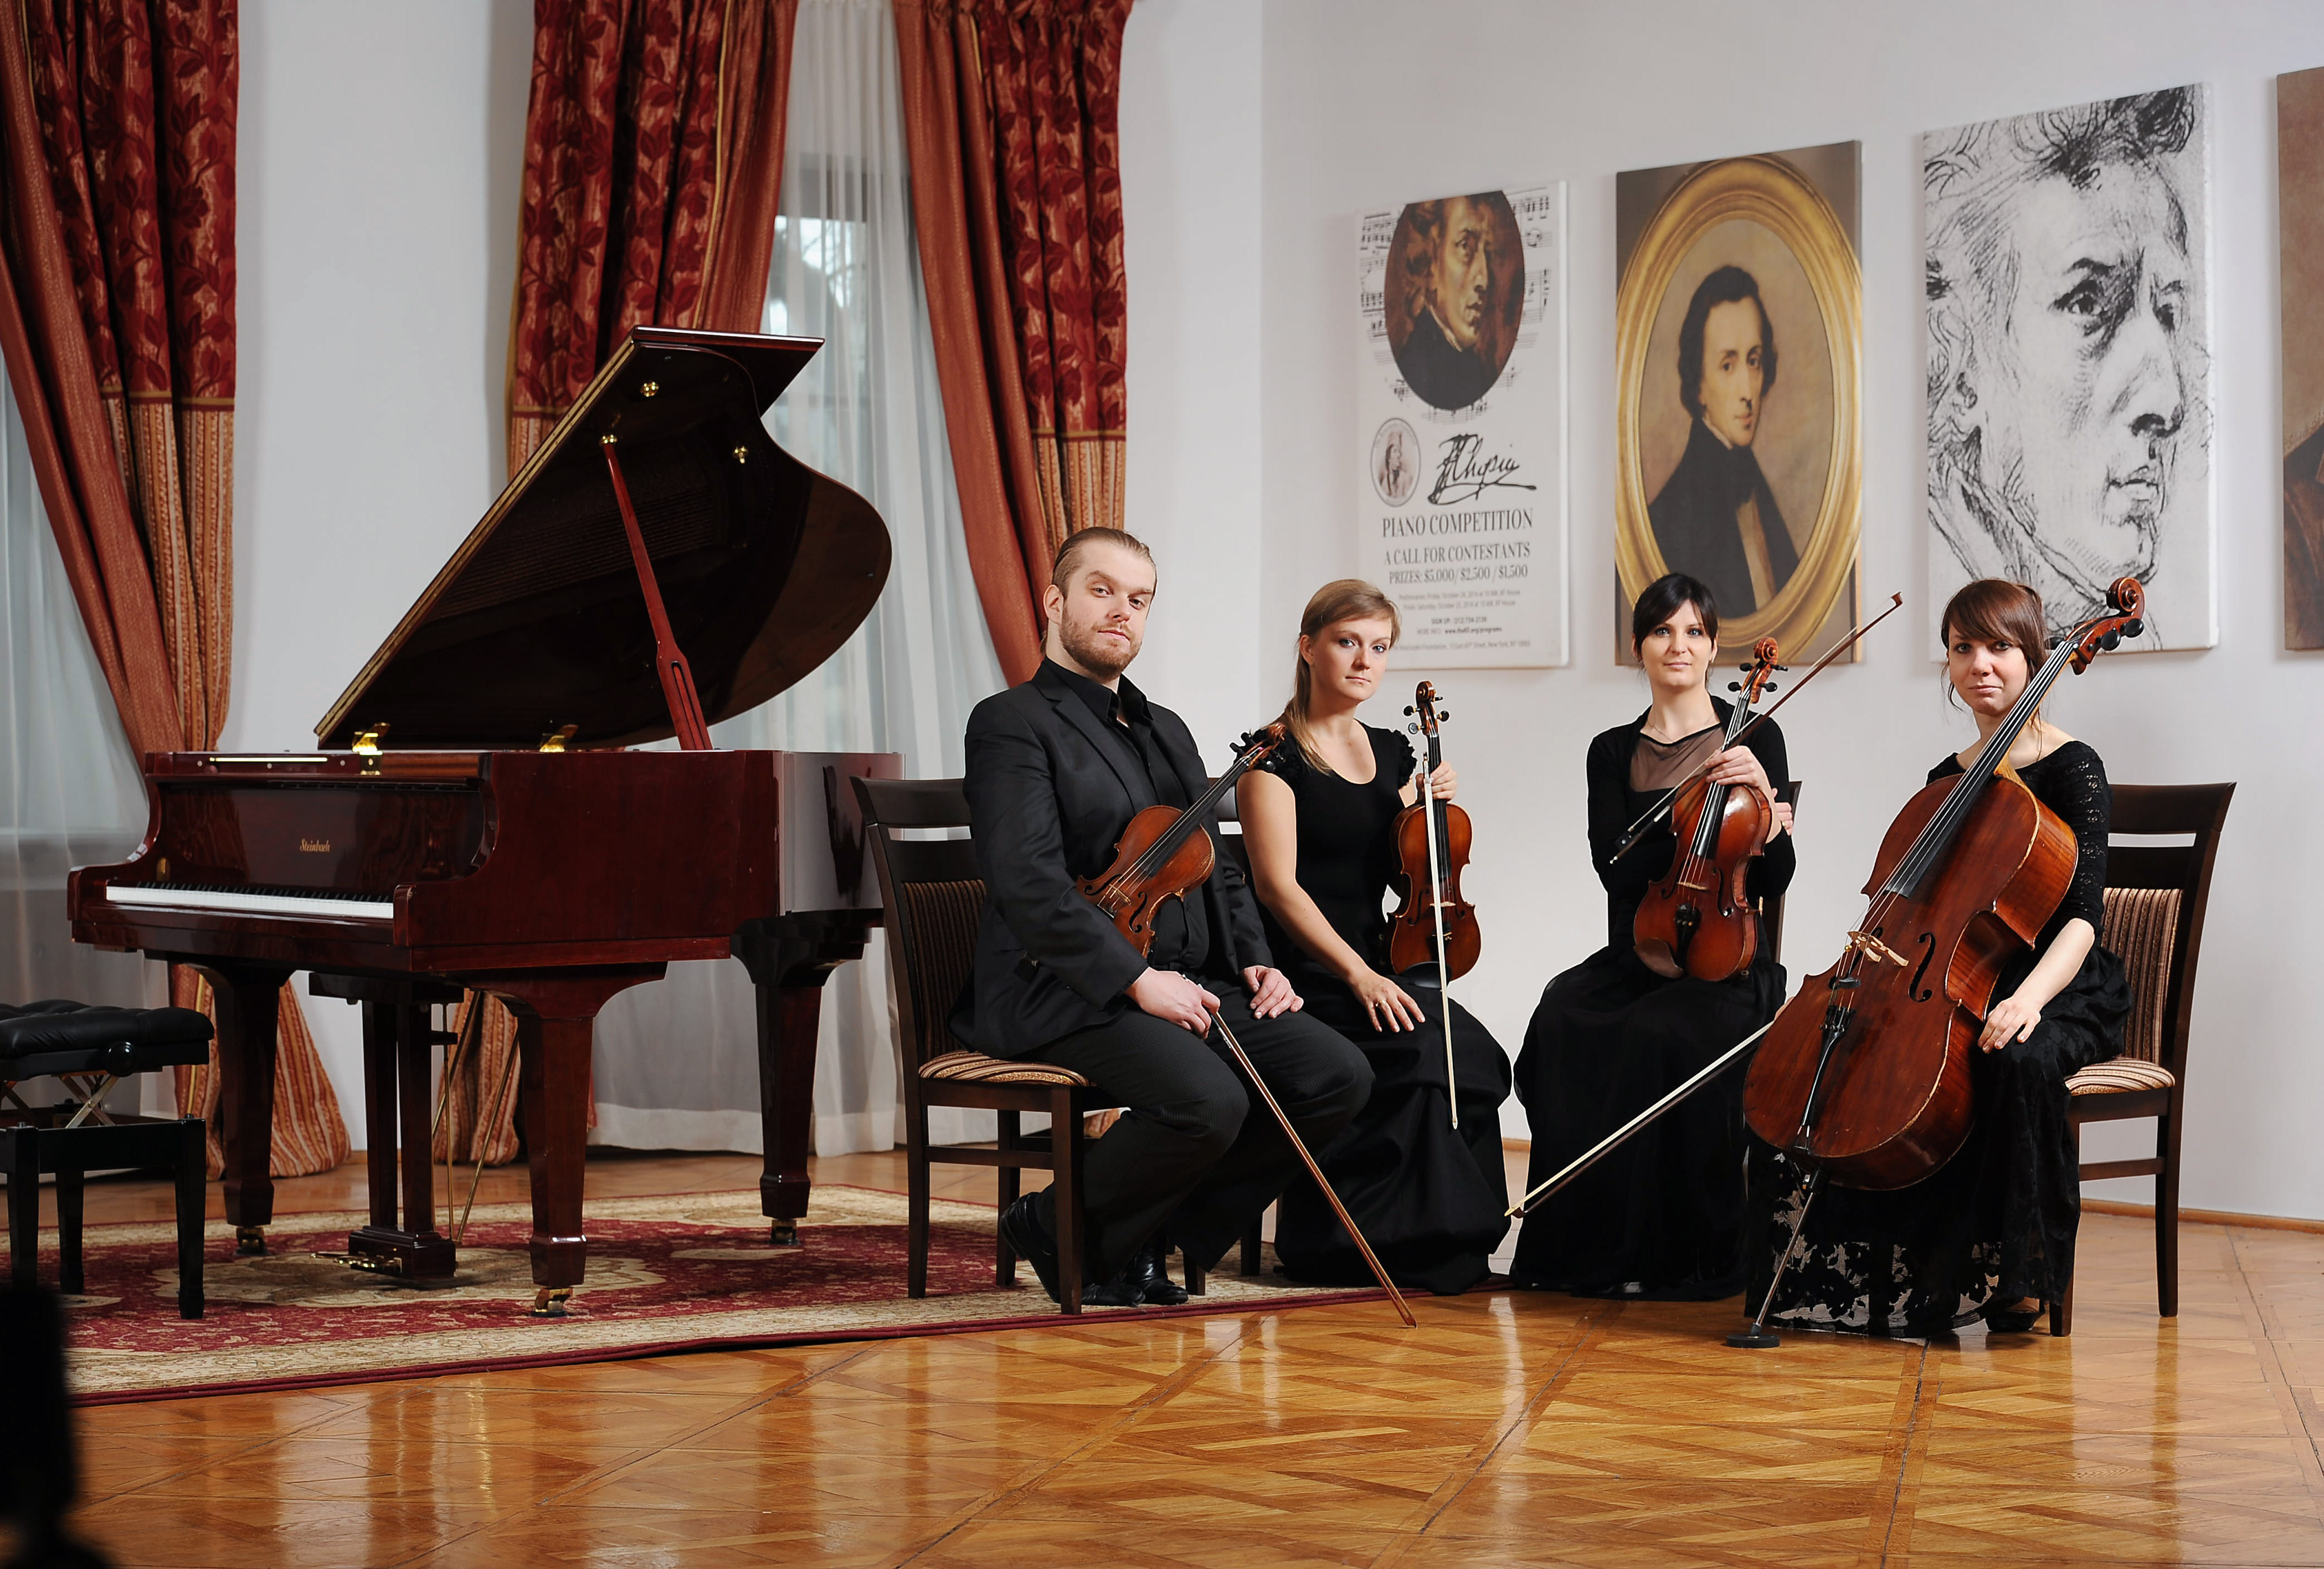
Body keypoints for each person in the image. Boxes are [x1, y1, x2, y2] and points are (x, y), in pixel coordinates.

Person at [957, 527, 1372, 1308]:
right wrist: (1137, 981)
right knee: (1208, 1100)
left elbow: (1220, 868)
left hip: (1186, 980)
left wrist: (1255, 959)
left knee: (1334, 1076)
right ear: (1054, 602)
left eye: (1139, 599)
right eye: (1102, 591)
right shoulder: (1011, 721)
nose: (1123, 611)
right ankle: (1066, 1228)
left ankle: (1134, 1234)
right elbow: (1028, 884)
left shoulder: (1168, 729)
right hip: (1064, 989)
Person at [1752, 578, 2131, 1336]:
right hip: (1950, 976)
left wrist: (2027, 1002)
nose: (1979, 665)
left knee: (2016, 1059)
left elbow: (2082, 921)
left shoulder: (2073, 768)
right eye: (1962, 649)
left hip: (2053, 983)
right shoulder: (1946, 777)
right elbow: (1919, 909)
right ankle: (1903, 1269)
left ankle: (2019, 1278)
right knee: (1857, 1060)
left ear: (2034, 658)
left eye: (1999, 647)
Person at [1510, 572, 1795, 1298]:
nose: (1679, 646)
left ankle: (1684, 1254)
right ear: (1638, 646)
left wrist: (1763, 805)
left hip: (1726, 962)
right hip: (1639, 949)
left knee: (1663, 1032)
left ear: (1714, 647)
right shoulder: (1611, 751)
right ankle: (1583, 1247)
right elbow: (1615, 871)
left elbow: (1776, 875)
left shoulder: (1756, 736)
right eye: (1662, 631)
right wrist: (1687, 811)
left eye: (1694, 632)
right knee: (1561, 1016)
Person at [1236, 580, 1513, 1294]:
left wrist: (1424, 817)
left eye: (1379, 647)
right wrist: (1357, 975)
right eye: (1347, 642)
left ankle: (1448, 1241)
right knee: (1420, 1051)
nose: (1365, 661)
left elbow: (1397, 874)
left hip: (1380, 961)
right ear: (1308, 648)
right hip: (1306, 973)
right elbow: (1277, 889)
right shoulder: (1271, 759)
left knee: (1471, 1052)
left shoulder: (1392, 752)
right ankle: (1345, 1245)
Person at [1926, 88, 2199, 638]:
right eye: (2089, 304)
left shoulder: (2108, 626)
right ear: (1961, 372)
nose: (2168, 402)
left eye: (2167, 312)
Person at [1647, 265, 1799, 618]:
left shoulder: (1754, 484)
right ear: (1698, 382)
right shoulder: (1667, 522)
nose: (1747, 391)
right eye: (1728, 366)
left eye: (1754, 361)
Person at [1392, 193, 1510, 412]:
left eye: (1488, 254)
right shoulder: (1415, 370)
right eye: (1466, 246)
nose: (1484, 280)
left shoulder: (1478, 373)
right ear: (1432, 260)